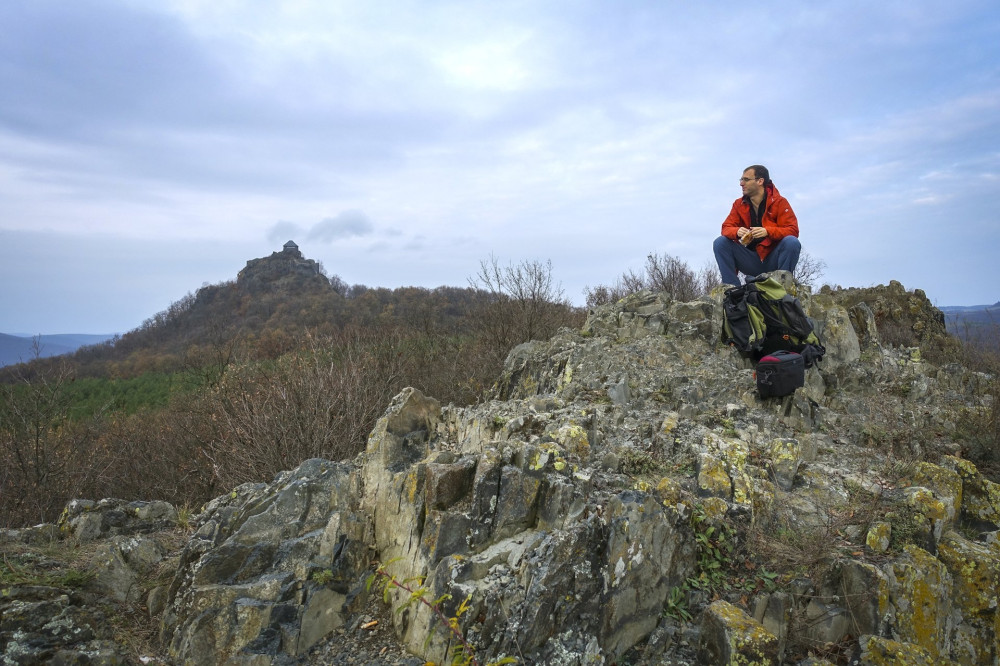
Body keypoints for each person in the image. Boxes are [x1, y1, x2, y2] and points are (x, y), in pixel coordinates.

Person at [713, 165, 801, 287]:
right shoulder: (738, 204)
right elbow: (726, 228)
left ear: (760, 181)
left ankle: (782, 288)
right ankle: (732, 290)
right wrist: (737, 231)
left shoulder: (780, 202)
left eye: (746, 180)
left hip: (773, 260)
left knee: (792, 242)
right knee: (720, 242)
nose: (741, 184)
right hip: (751, 260)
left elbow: (793, 230)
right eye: (741, 180)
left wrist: (768, 231)